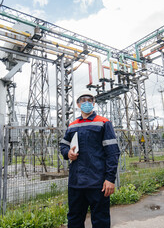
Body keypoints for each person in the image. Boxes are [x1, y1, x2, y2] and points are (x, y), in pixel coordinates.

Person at [60, 89, 120, 228]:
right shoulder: (72, 125)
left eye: (89, 100)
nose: (86, 102)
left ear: (93, 103)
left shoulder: (104, 122)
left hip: (98, 182)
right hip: (76, 182)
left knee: (100, 220)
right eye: (83, 100)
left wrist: (110, 179)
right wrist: (68, 153)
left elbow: (112, 152)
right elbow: (63, 145)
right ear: (78, 104)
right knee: (74, 219)